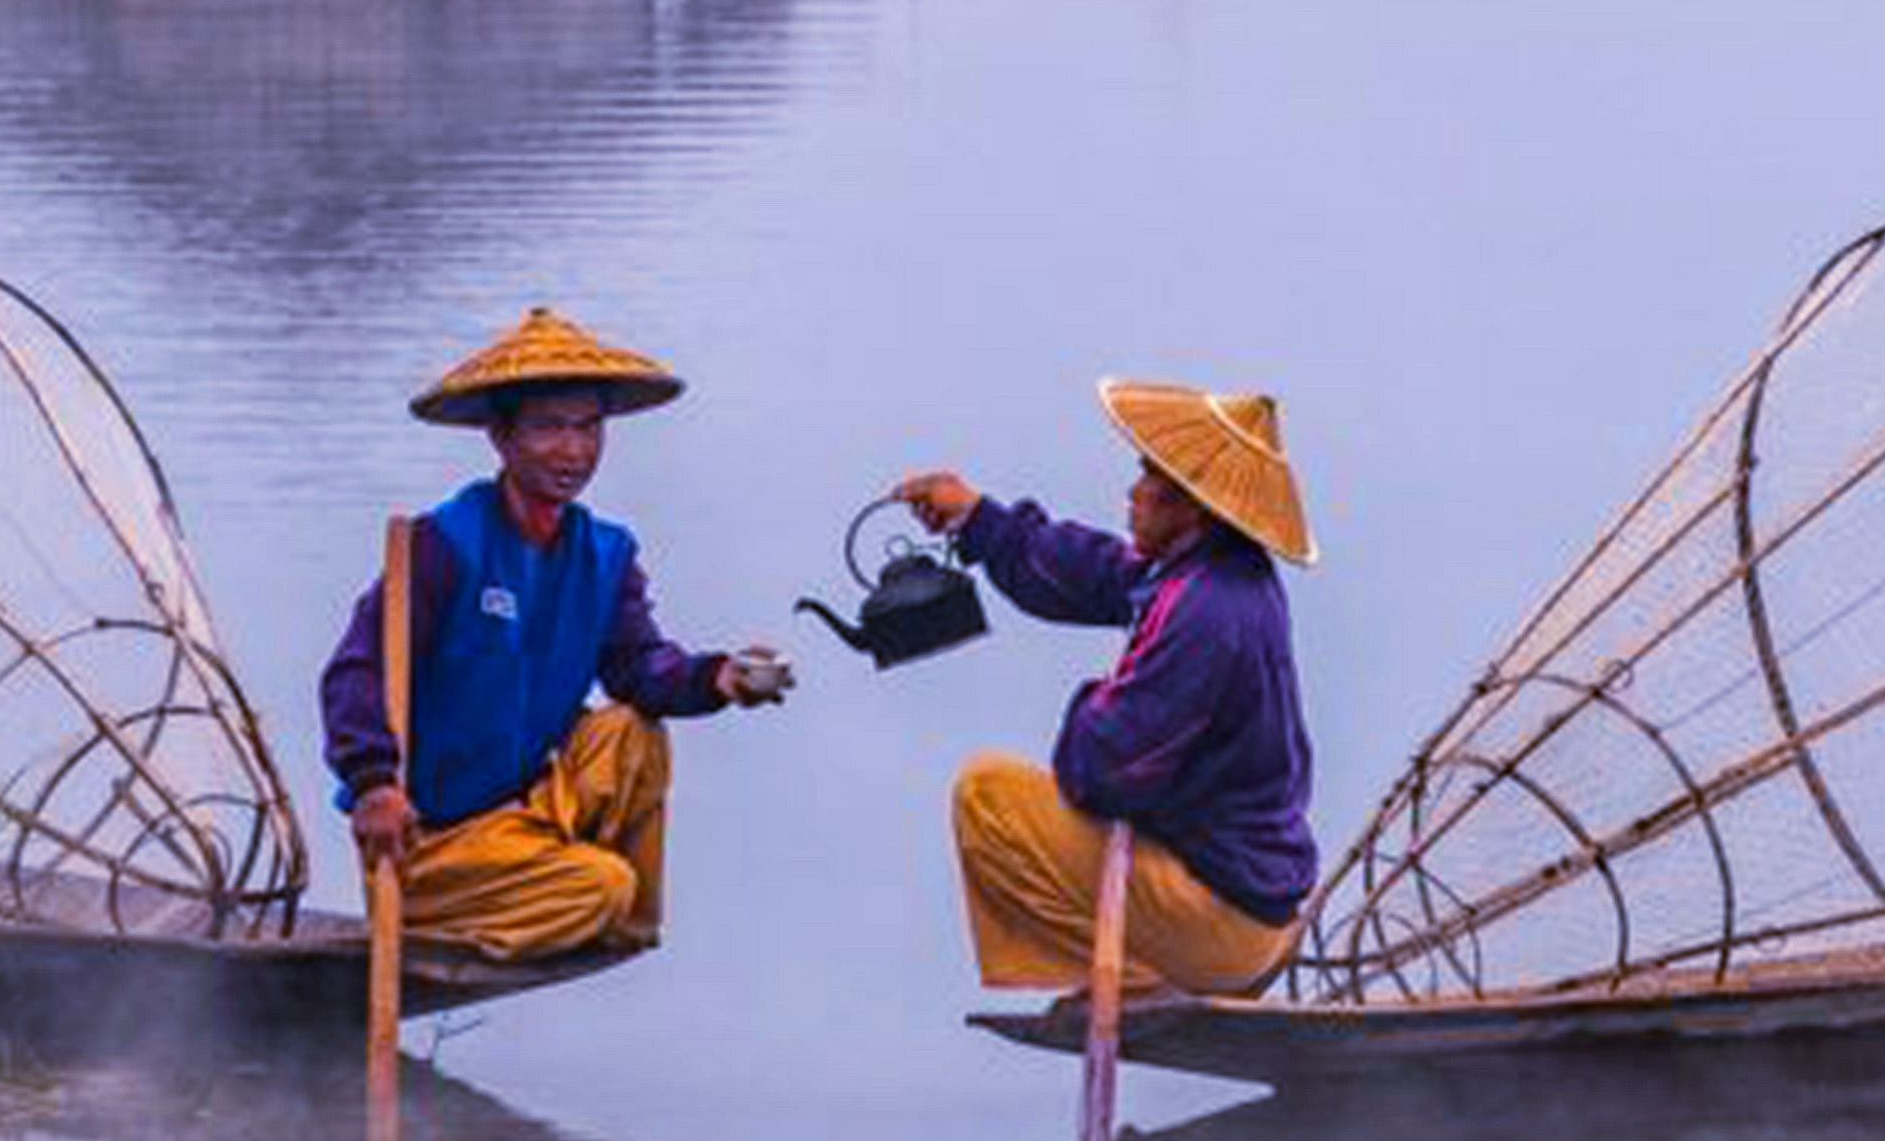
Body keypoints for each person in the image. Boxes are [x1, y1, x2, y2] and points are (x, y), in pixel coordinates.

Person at [325, 307, 789, 960]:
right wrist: (374, 785)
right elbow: (354, 672)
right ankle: (481, 914)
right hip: (426, 841)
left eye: (588, 428)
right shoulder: (442, 546)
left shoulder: (604, 553)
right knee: (601, 885)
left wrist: (721, 677)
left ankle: (608, 916)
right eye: (549, 428)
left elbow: (639, 668)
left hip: (523, 810)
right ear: (501, 438)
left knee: (633, 732)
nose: (574, 451)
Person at [890, 382, 1319, 997]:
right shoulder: (1217, 572)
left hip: (1223, 922)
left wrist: (1099, 695)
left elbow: (1101, 769)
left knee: (986, 796)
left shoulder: (1205, 612)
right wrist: (975, 516)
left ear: (1192, 503)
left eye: (1148, 475)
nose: (1132, 491)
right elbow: (1093, 571)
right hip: (1245, 897)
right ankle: (1147, 965)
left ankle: (1141, 975)